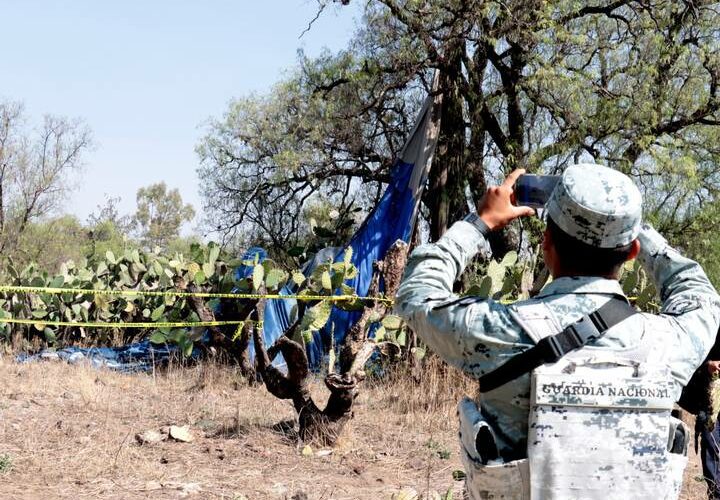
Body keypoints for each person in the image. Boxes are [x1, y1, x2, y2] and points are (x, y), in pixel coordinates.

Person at [395, 164, 720, 499]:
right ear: (633, 251)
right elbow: (699, 296)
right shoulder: (667, 344)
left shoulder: (504, 332)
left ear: (546, 242)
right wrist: (626, 224)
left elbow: (417, 294)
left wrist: (481, 222)